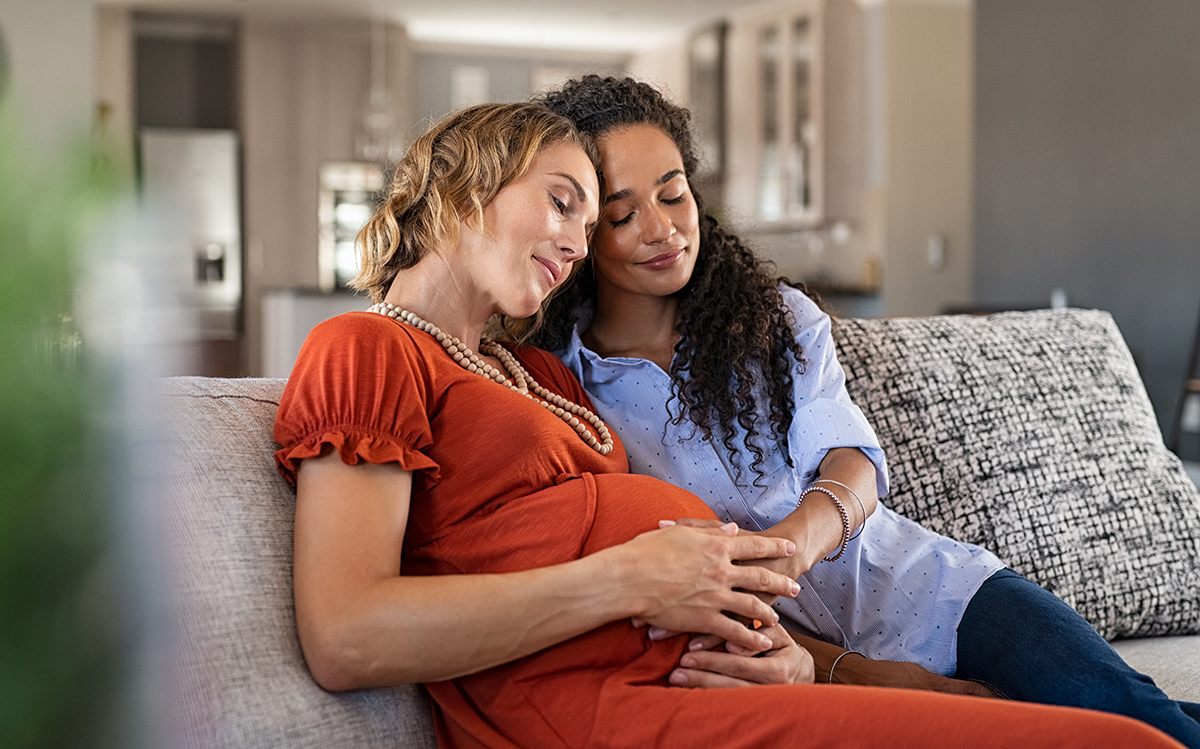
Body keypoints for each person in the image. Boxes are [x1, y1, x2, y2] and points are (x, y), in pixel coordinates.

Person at [272, 100, 1184, 749]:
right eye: (572, 207)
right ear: (464, 184)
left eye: (590, 221)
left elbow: (829, 471)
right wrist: (630, 579)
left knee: (1123, 722)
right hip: (616, 697)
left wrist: (789, 652)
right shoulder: (369, 348)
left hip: (771, 640)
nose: (577, 240)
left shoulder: (536, 374)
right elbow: (347, 635)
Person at [534, 74, 1200, 749]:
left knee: (1137, 716)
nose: (662, 228)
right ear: (583, 230)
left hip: (941, 593)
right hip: (794, 651)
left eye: (674, 193)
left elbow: (851, 464)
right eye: (621, 215)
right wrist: (858, 673)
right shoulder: (564, 388)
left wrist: (790, 549)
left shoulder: (777, 319)